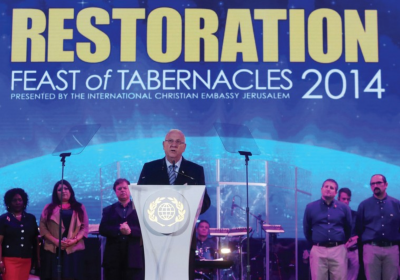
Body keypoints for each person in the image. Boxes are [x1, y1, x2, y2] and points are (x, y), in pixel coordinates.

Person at [137, 129, 211, 280]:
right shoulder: (150, 168)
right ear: (164, 145)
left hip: (183, 237)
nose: (173, 145)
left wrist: (190, 201)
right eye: (170, 141)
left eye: (178, 142)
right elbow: (139, 199)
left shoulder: (195, 170)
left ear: (184, 147)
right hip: (155, 237)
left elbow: (205, 201)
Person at [303, 179, 352, 280]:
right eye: (326, 186)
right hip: (318, 250)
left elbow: (348, 228)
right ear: (321, 189)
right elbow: (307, 229)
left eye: (332, 188)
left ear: (335, 192)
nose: (328, 189)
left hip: (338, 249)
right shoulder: (310, 207)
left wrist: (341, 242)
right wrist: (315, 243)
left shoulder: (344, 208)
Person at [39, 180, 89, 280]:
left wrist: (74, 240)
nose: (64, 191)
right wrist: (56, 241)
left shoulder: (79, 207)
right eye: (60, 189)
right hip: (54, 249)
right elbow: (43, 228)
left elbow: (84, 228)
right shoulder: (48, 208)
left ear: (71, 191)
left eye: (66, 188)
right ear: (55, 193)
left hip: (73, 249)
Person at [355, 174, 400, 280]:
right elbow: (359, 229)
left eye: (378, 183)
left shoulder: (396, 204)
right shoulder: (363, 205)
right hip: (371, 249)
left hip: (392, 249)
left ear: (386, 184)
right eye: (372, 184)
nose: (375, 185)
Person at [99, 178, 144, 280]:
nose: (123, 190)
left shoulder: (140, 208)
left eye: (125, 188)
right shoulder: (108, 210)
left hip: (133, 257)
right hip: (113, 258)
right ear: (115, 192)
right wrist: (119, 230)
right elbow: (103, 229)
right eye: (119, 188)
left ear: (130, 190)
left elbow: (144, 230)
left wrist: (130, 231)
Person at [0, 188, 39, 280]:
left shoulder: (31, 218)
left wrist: (37, 259)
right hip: (9, 260)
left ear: (24, 201)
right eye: (14, 200)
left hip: (26, 259)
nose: (18, 202)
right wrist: (0, 261)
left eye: (20, 200)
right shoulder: (3, 219)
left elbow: (35, 240)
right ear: (9, 202)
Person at [338, 188, 359, 280]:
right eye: (344, 199)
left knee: (352, 277)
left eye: (348, 199)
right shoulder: (333, 215)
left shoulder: (356, 215)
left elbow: (362, 232)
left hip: (353, 250)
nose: (346, 201)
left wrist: (353, 239)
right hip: (338, 250)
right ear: (338, 199)